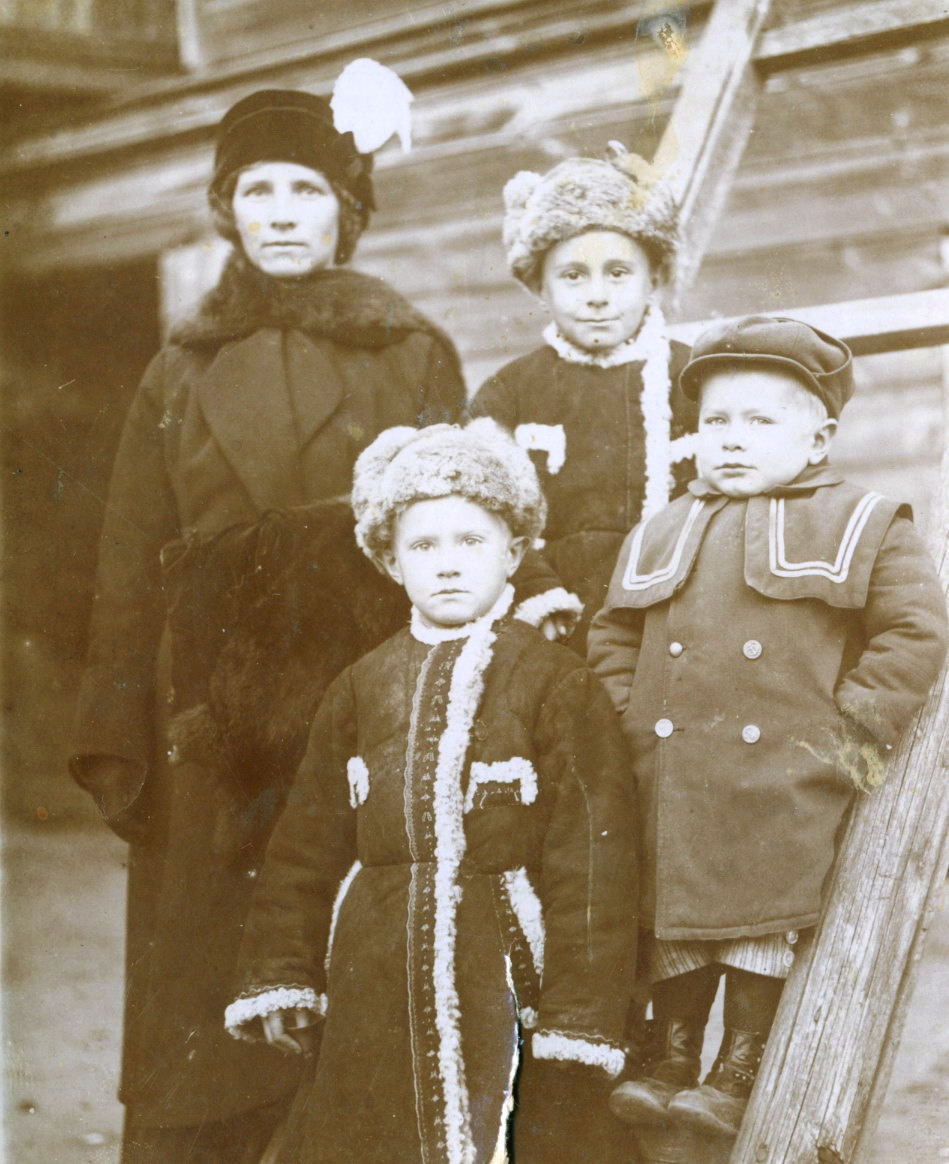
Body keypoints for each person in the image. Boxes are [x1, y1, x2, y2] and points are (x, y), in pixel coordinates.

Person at [69, 75, 466, 1162]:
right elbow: (127, 561)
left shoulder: (411, 351)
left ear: (349, 209)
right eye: (257, 191)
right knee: (205, 994)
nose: (282, 213)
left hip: (363, 693)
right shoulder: (179, 367)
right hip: (207, 721)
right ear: (226, 210)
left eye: (307, 189)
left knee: (353, 963)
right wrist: (119, 735)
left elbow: (455, 531)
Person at [224, 419, 639, 1163]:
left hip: (505, 977)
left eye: (470, 541)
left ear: (514, 550)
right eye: (422, 546)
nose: (447, 564)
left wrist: (580, 1017)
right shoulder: (360, 686)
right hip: (372, 975)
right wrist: (282, 970)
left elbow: (593, 863)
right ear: (389, 561)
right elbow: (305, 847)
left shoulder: (556, 681)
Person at [588, 315, 948, 1138]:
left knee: (759, 919)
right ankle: (671, 1054)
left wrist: (848, 738)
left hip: (785, 774)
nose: (730, 438)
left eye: (759, 420)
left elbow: (915, 631)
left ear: (818, 437)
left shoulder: (861, 520)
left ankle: (738, 1067)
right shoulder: (662, 527)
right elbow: (612, 635)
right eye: (715, 419)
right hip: (671, 772)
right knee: (671, 915)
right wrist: (625, 720)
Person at [469, 143, 697, 650]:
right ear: (540, 287)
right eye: (573, 276)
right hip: (557, 619)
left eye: (618, 273)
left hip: (678, 614)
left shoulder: (696, 378)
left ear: (654, 276)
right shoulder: (509, 392)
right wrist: (534, 590)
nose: (597, 296)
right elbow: (483, 514)